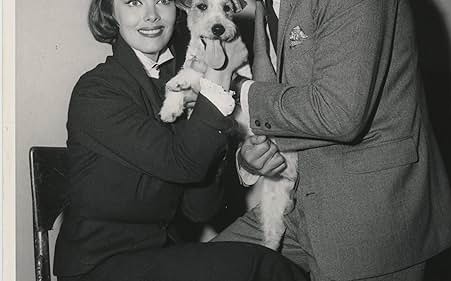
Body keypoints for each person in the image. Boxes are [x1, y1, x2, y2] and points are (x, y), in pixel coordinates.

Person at [53, 0, 310, 280]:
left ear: (179, 10)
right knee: (259, 266)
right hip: (99, 266)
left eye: (162, 1)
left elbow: (199, 209)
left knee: (266, 261)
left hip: (160, 257)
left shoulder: (177, 81)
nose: (151, 16)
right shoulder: (97, 92)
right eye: (133, 2)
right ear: (110, 13)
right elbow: (182, 162)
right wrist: (218, 80)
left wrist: (242, 163)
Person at [214, 0, 451, 280]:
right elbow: (280, 102)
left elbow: (339, 113)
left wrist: (236, 88)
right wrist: (251, 157)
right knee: (200, 268)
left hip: (369, 217)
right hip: (294, 203)